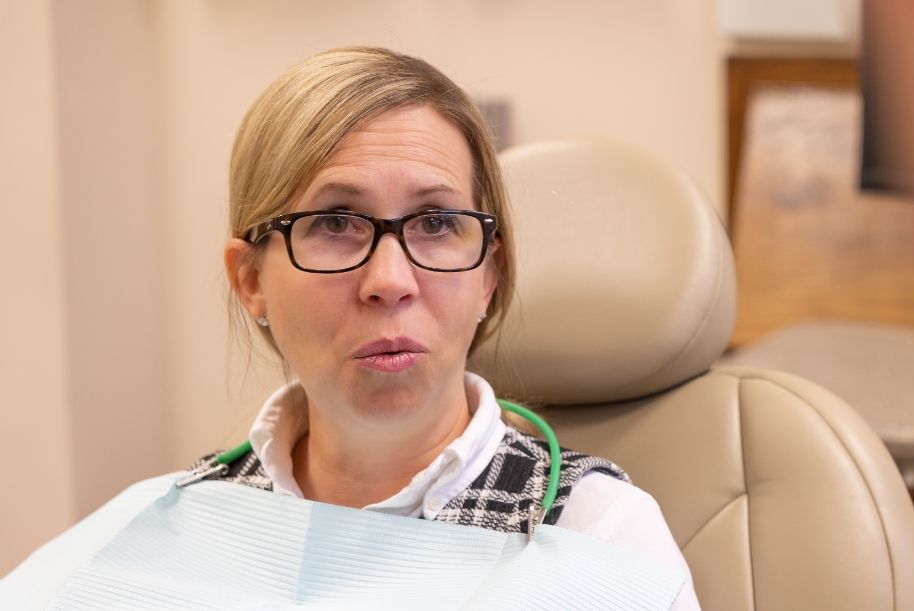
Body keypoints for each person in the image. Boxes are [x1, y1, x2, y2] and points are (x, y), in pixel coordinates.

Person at [3, 47, 699, 609]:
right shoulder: (154, 529)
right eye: (334, 222)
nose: (390, 280)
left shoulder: (600, 536)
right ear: (250, 280)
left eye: (435, 222)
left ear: (489, 272)